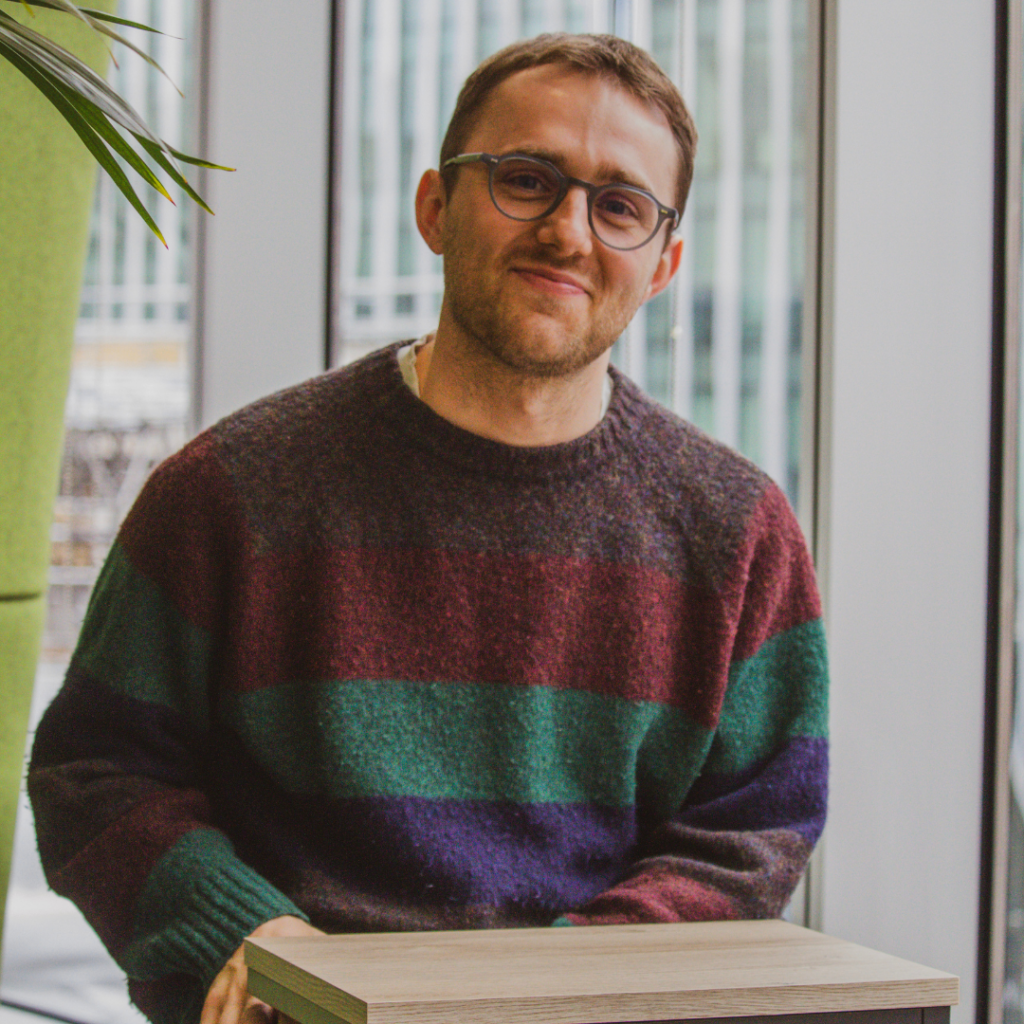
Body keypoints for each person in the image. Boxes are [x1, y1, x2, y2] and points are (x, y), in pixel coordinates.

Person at [28, 32, 828, 1024]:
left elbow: (752, 829)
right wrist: (246, 930)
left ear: (660, 264)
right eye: (525, 179)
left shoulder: (737, 533)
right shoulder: (228, 490)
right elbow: (94, 771)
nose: (570, 231)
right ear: (434, 208)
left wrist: (543, 992)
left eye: (618, 204)